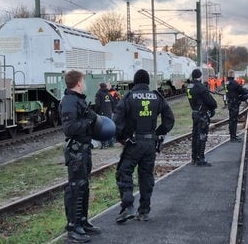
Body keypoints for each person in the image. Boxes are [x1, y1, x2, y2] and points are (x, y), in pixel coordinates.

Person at [113, 69, 175, 223]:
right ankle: (144, 211)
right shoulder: (157, 97)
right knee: (146, 176)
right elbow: (169, 120)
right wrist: (156, 133)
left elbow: (117, 121)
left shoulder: (128, 97)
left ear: (134, 82)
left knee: (124, 171)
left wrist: (121, 137)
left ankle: (128, 206)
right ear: (147, 82)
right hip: (150, 143)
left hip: (133, 142)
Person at [59, 70, 104, 243]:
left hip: (84, 150)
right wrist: (89, 122)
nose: (84, 83)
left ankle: (83, 221)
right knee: (76, 187)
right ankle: (73, 226)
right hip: (76, 151)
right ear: (78, 82)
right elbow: (69, 128)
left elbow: (89, 118)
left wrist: (94, 119)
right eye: (83, 80)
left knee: (84, 186)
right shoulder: (69, 101)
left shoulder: (79, 100)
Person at [187, 68, 218, 166]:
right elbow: (210, 101)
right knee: (202, 136)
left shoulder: (189, 86)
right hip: (202, 114)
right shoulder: (200, 87)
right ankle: (201, 158)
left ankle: (194, 158)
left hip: (195, 113)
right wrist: (213, 107)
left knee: (195, 135)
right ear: (200, 76)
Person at [225, 69, 248, 142]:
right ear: (233, 75)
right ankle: (233, 136)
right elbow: (241, 90)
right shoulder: (234, 83)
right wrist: (247, 91)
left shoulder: (227, 82)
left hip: (230, 102)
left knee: (231, 119)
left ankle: (232, 135)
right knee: (234, 120)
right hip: (234, 103)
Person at [95, 82, 115, 149]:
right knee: (110, 127)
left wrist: (96, 112)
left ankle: (104, 144)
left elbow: (98, 105)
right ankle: (111, 143)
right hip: (109, 112)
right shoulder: (108, 94)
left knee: (103, 129)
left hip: (102, 113)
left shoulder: (98, 94)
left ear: (100, 87)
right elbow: (113, 103)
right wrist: (111, 111)